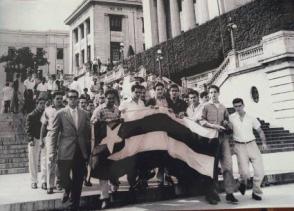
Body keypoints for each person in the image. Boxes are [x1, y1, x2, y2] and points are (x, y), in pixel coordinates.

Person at [51, 90, 91, 210]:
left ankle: (74, 205)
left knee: (78, 179)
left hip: (80, 150)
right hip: (65, 150)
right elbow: (54, 133)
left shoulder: (85, 113)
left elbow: (88, 133)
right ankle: (67, 188)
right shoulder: (60, 113)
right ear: (67, 99)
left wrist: (88, 151)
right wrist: (52, 151)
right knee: (63, 176)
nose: (73, 99)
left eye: (75, 97)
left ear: (78, 99)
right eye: (70, 97)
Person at [199, 85, 238, 205]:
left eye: (215, 92)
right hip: (211, 140)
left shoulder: (223, 107)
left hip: (223, 139)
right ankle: (211, 193)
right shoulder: (204, 106)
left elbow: (228, 122)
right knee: (212, 168)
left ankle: (229, 193)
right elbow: (200, 121)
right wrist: (214, 126)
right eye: (211, 92)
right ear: (208, 94)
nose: (213, 94)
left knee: (228, 166)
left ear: (218, 93)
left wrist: (227, 124)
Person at [229, 98, 268, 201]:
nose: (238, 108)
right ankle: (242, 182)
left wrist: (264, 143)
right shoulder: (231, 118)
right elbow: (228, 132)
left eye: (239, 106)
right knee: (245, 173)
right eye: (235, 106)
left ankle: (256, 192)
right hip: (239, 146)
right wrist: (231, 146)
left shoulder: (251, 117)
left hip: (252, 144)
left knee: (260, 171)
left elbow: (260, 131)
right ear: (234, 107)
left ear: (243, 105)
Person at [91, 89, 121, 209]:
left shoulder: (117, 110)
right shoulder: (99, 110)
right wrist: (100, 122)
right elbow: (92, 122)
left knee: (115, 169)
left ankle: (114, 191)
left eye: (113, 98)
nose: (110, 100)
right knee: (102, 171)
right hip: (102, 146)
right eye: (108, 98)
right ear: (105, 98)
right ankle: (105, 198)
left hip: (115, 145)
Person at [40, 91, 64, 194]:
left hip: (63, 136)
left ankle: (59, 182)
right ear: (53, 99)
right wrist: (41, 139)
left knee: (61, 160)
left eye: (60, 98)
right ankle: (50, 185)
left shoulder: (66, 110)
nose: (59, 100)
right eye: (57, 98)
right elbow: (43, 126)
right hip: (51, 135)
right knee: (50, 160)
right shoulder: (48, 110)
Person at [25, 97, 47, 190]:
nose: (42, 105)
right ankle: (33, 181)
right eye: (40, 103)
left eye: (43, 103)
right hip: (34, 139)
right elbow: (28, 129)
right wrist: (31, 140)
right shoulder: (31, 115)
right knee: (33, 161)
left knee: (44, 161)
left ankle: (44, 181)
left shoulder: (47, 114)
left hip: (45, 139)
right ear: (37, 104)